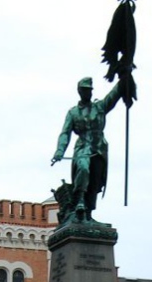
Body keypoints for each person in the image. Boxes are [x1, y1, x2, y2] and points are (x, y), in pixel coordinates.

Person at [51, 76, 124, 220]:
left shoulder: (100, 107)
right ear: (79, 92)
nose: (87, 93)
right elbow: (65, 133)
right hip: (83, 147)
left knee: (95, 181)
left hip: (99, 148)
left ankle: (88, 213)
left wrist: (124, 77)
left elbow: (114, 95)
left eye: (89, 90)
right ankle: (79, 201)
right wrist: (60, 150)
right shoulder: (73, 113)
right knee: (83, 168)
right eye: (84, 90)